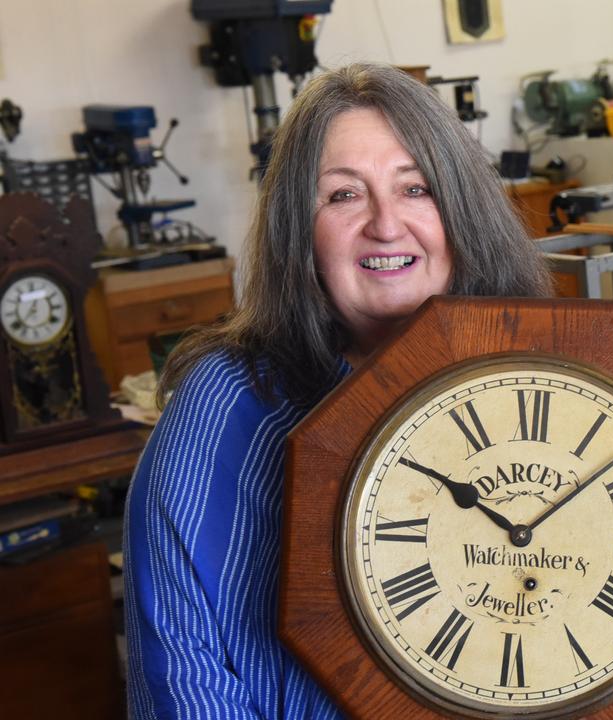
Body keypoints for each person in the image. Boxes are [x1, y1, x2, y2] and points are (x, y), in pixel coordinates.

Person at [122, 63, 552, 718]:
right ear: (300, 231)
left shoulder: (542, 385)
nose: (386, 225)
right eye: (344, 196)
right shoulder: (228, 399)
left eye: (417, 189)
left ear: (460, 211)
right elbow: (180, 662)